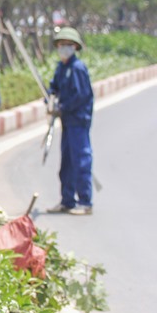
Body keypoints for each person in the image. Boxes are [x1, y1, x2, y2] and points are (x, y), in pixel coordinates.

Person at [46, 27, 93, 215]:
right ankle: (67, 200)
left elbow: (81, 96)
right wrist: (50, 97)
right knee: (67, 162)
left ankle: (85, 202)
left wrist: (62, 108)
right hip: (67, 122)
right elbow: (54, 87)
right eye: (60, 45)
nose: (63, 49)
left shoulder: (78, 69)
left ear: (74, 47)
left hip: (78, 121)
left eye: (67, 45)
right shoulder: (62, 68)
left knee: (81, 160)